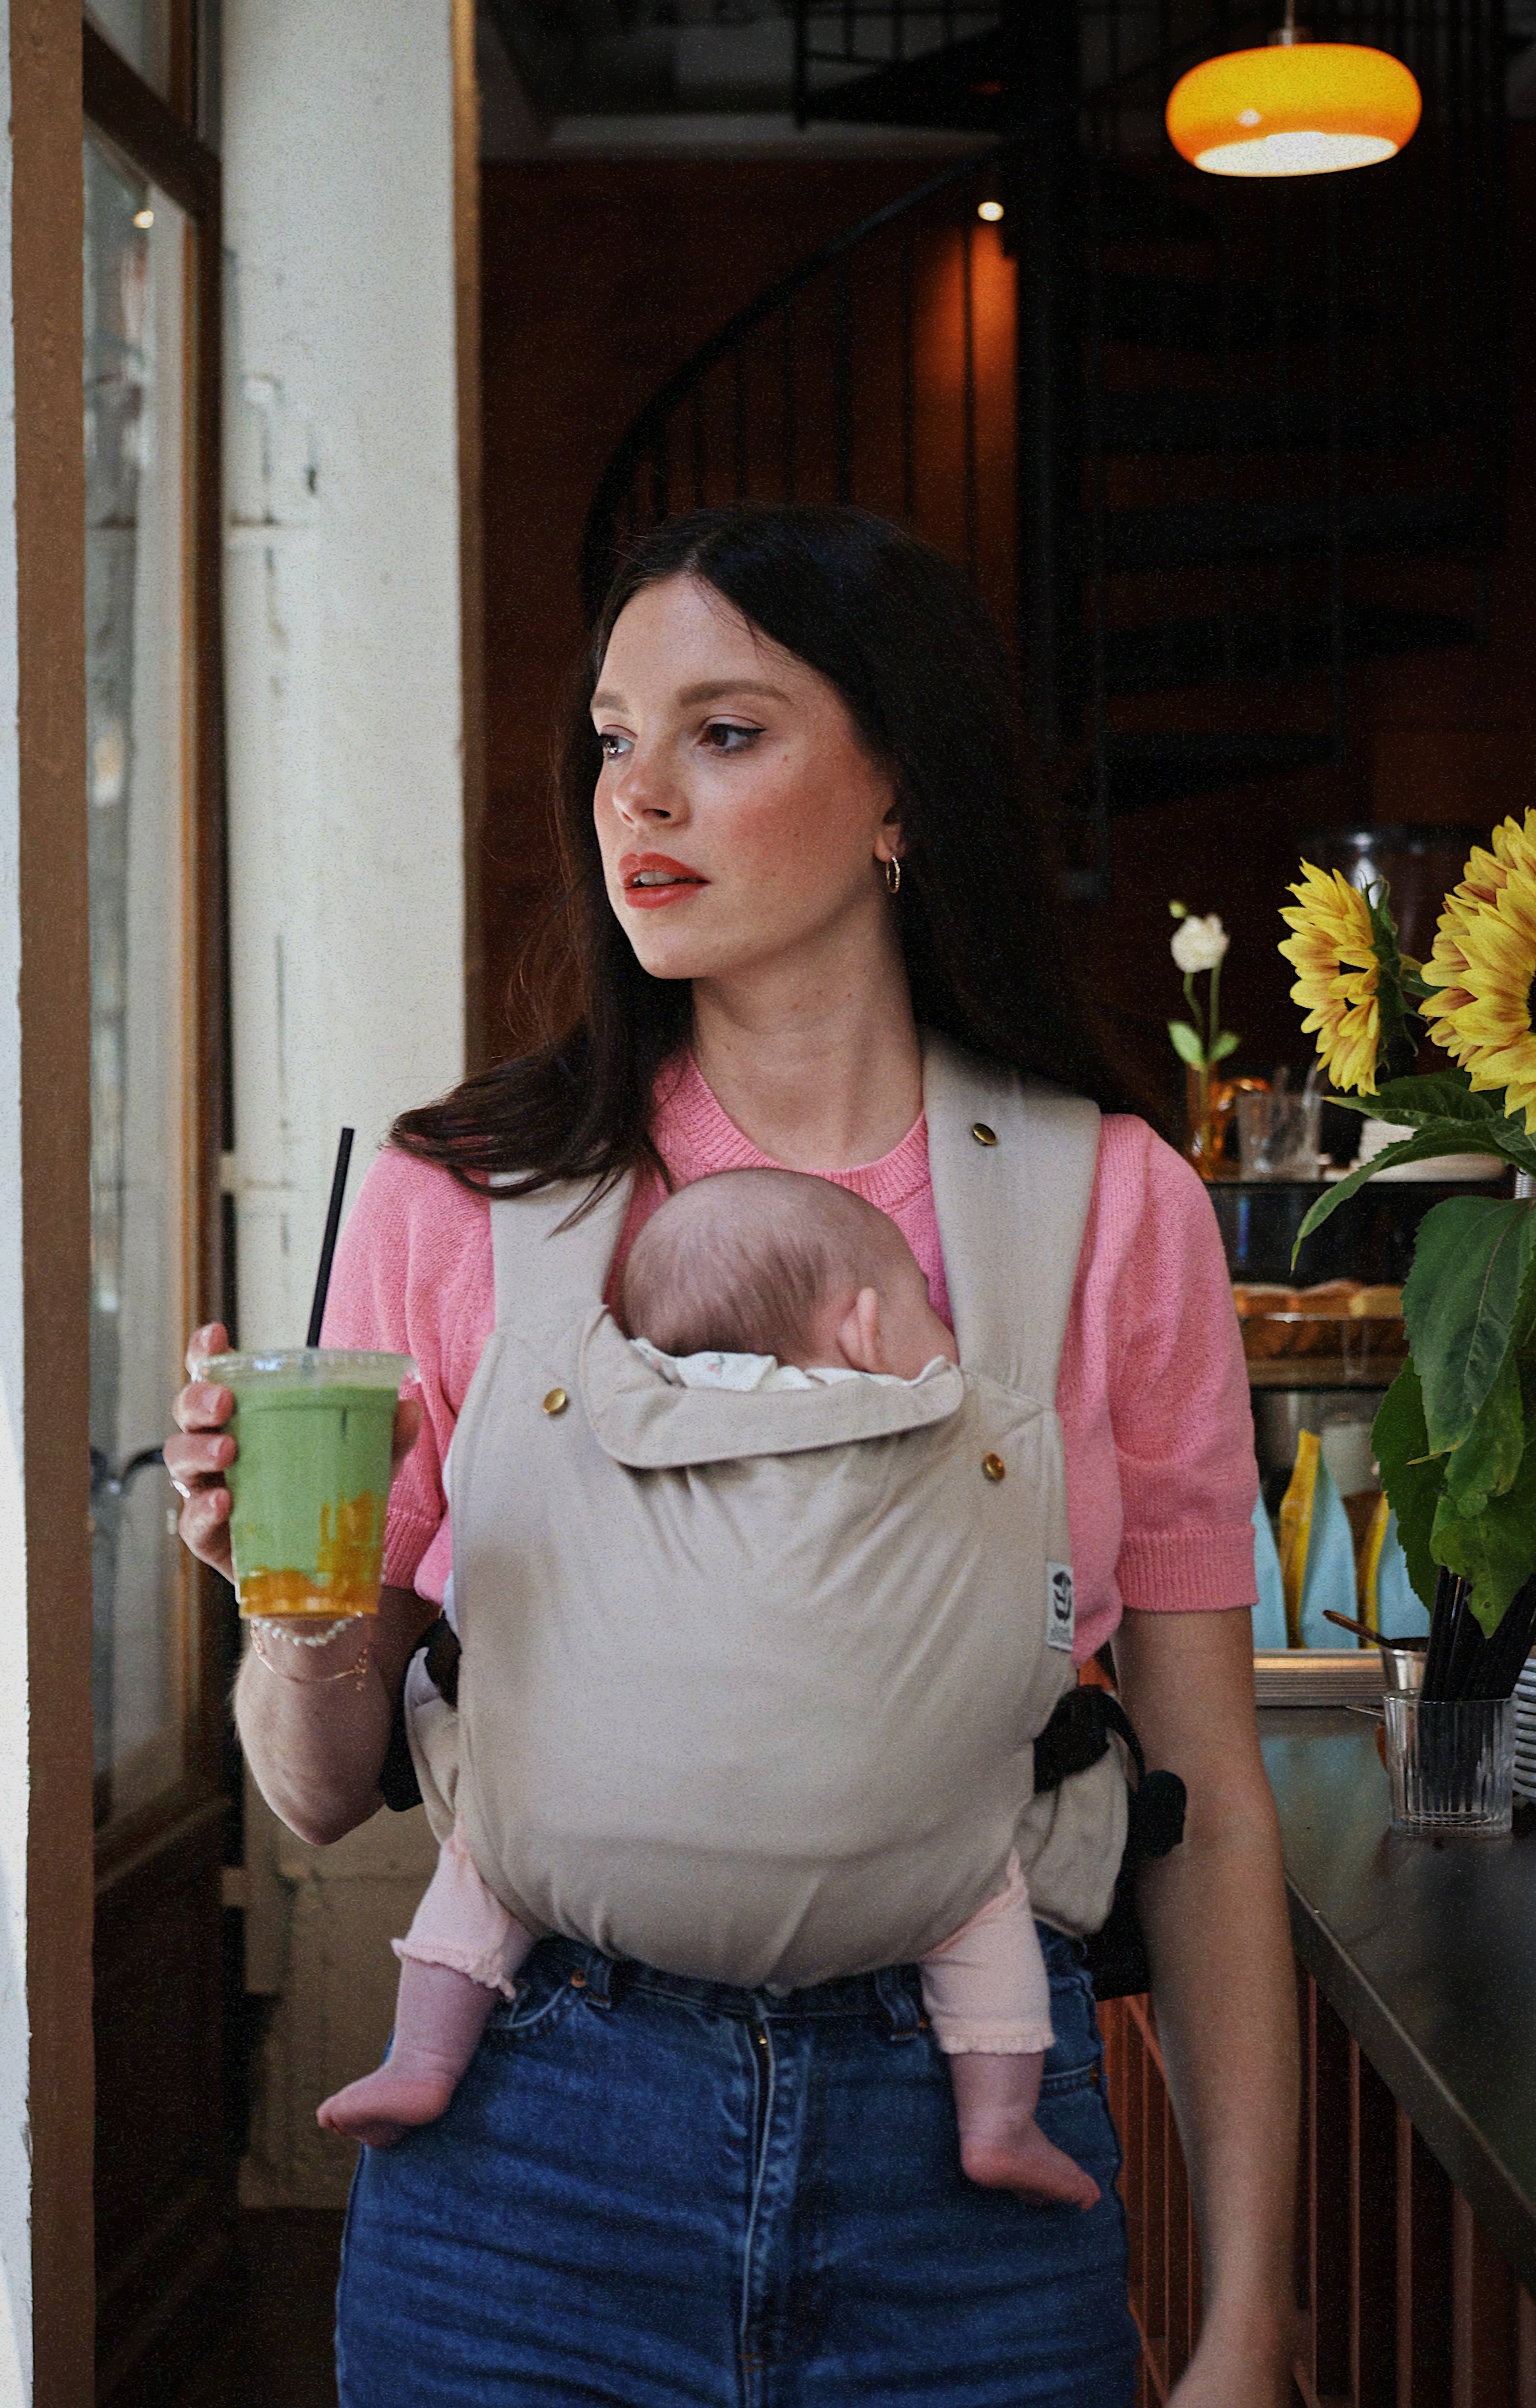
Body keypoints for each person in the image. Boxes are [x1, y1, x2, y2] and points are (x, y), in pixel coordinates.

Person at [169, 503, 1299, 2408]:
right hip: (525, 2177)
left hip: (972, 2184)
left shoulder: (1111, 1210)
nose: (640, 797)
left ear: (899, 797)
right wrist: (284, 1606)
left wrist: (1247, 2316)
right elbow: (318, 1787)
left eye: (725, 730)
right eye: (614, 737)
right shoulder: (465, 1198)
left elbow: (1202, 1802)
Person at [317, 1166, 1098, 2213]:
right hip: (905, 1913)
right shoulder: (913, 1394)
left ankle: (420, 2061)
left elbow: (459, 1613)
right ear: (867, 1329)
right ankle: (999, 2121)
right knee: (986, 1899)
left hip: (557, 2012)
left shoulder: (602, 1401)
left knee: (483, 1865)